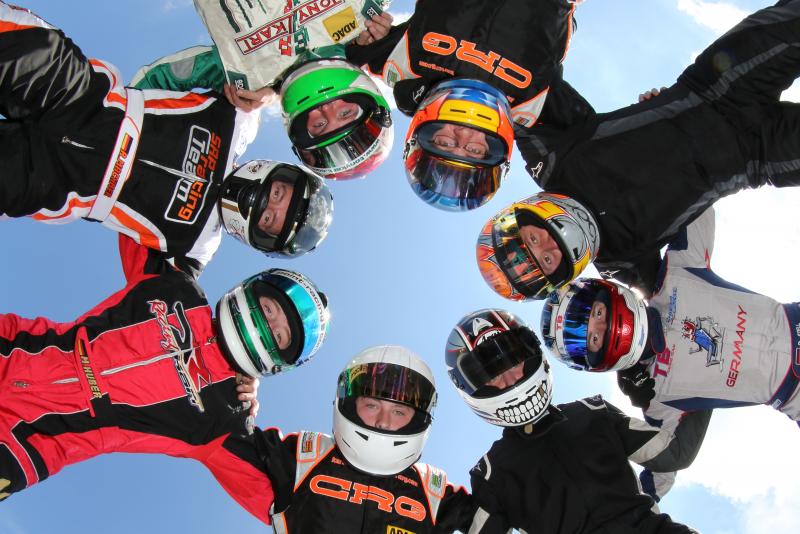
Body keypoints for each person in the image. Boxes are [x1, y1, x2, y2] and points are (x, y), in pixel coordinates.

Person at [477, 0, 800, 298]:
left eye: (533, 240)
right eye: (547, 260)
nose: (549, 244)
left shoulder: (552, 157)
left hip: (716, 84)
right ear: (561, 275)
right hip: (759, 156)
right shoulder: (620, 262)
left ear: (517, 217)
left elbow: (519, 84)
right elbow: (669, 310)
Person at [0, 2, 333, 276]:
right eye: (278, 194)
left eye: (269, 219)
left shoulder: (197, 249)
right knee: (22, 40)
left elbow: (160, 308)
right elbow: (225, 62)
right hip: (84, 98)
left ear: (258, 237)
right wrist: (267, 88)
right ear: (277, 173)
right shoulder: (240, 120)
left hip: (54, 181)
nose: (266, 204)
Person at [0, 231, 329, 504]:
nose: (267, 326)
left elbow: (288, 501)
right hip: (13, 347)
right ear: (253, 291)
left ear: (279, 362)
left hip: (24, 448)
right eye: (271, 310)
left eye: (280, 336)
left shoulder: (225, 420)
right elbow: (142, 208)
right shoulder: (177, 287)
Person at [540, 206, 800, 501]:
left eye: (597, 313)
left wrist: (641, 233)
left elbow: (699, 201)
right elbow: (661, 473)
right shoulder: (657, 397)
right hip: (793, 395)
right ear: (595, 359)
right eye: (594, 338)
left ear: (607, 294)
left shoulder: (676, 271)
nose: (603, 326)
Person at [445, 308, 706, 533]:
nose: (510, 378)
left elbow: (673, 453)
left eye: (513, 360)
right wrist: (440, 511)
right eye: (491, 374)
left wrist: (675, 387)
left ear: (531, 354)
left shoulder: (592, 410)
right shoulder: (492, 473)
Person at [347, 0, 585, 210]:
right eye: (474, 150)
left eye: (445, 143)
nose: (462, 135)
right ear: (494, 150)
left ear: (424, 135)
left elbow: (351, 51)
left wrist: (365, 39)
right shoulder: (534, 107)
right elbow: (592, 154)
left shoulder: (401, 65)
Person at [132, 2, 396, 181]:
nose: (326, 108)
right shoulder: (364, 12)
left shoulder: (248, 76)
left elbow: (157, 78)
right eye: (345, 114)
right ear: (367, 99)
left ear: (300, 127)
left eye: (320, 125)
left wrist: (131, 141)